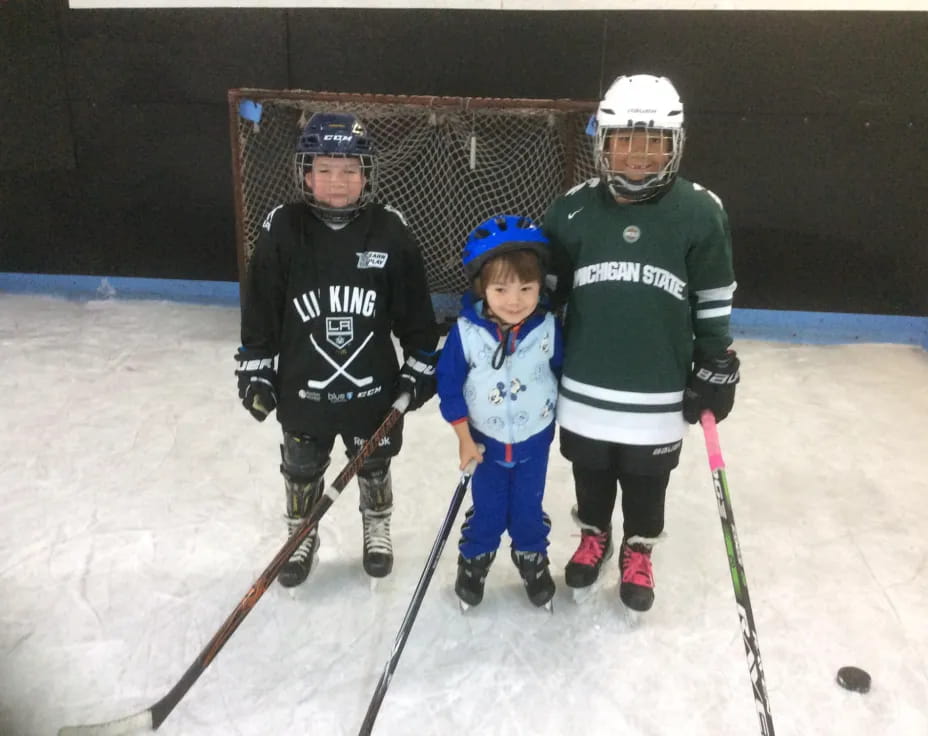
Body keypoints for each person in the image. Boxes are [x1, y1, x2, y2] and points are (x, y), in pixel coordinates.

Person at [543, 74, 739, 612]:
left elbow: (713, 294)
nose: (638, 154)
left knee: (648, 483)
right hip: (584, 385)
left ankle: (638, 548)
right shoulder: (572, 209)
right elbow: (546, 296)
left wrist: (715, 358)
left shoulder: (700, 211)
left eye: (653, 141)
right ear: (602, 142)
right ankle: (594, 535)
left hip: (658, 388)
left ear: (673, 145)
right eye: (625, 139)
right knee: (591, 474)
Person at [235, 111, 439, 588]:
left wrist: (420, 362)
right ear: (305, 173)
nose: (337, 182)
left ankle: (377, 525)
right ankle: (300, 534)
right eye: (324, 169)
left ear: (367, 174)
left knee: (374, 463)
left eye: (350, 170)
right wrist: (256, 368)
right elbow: (261, 306)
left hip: (371, 384)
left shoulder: (389, 229)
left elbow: (414, 308)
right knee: (300, 467)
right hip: (303, 384)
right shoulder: (283, 227)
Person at [436, 215, 564, 609]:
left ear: (540, 287)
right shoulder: (466, 334)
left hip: (534, 441)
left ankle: (531, 556)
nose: (515, 300)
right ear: (481, 289)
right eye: (501, 288)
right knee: (489, 510)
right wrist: (464, 439)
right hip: (485, 445)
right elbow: (449, 386)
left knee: (528, 508)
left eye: (526, 287)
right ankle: (475, 559)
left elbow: (563, 374)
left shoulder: (548, 329)